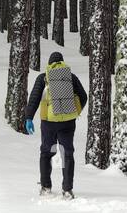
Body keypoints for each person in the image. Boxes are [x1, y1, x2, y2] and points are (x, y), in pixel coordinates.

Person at [25, 51, 88, 199]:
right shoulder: (70, 77)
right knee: (67, 154)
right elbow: (83, 96)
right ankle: (67, 190)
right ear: (62, 62)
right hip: (68, 122)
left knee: (47, 153)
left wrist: (29, 118)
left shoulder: (43, 77)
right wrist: (75, 111)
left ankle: (46, 187)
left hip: (48, 123)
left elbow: (34, 98)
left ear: (49, 63)